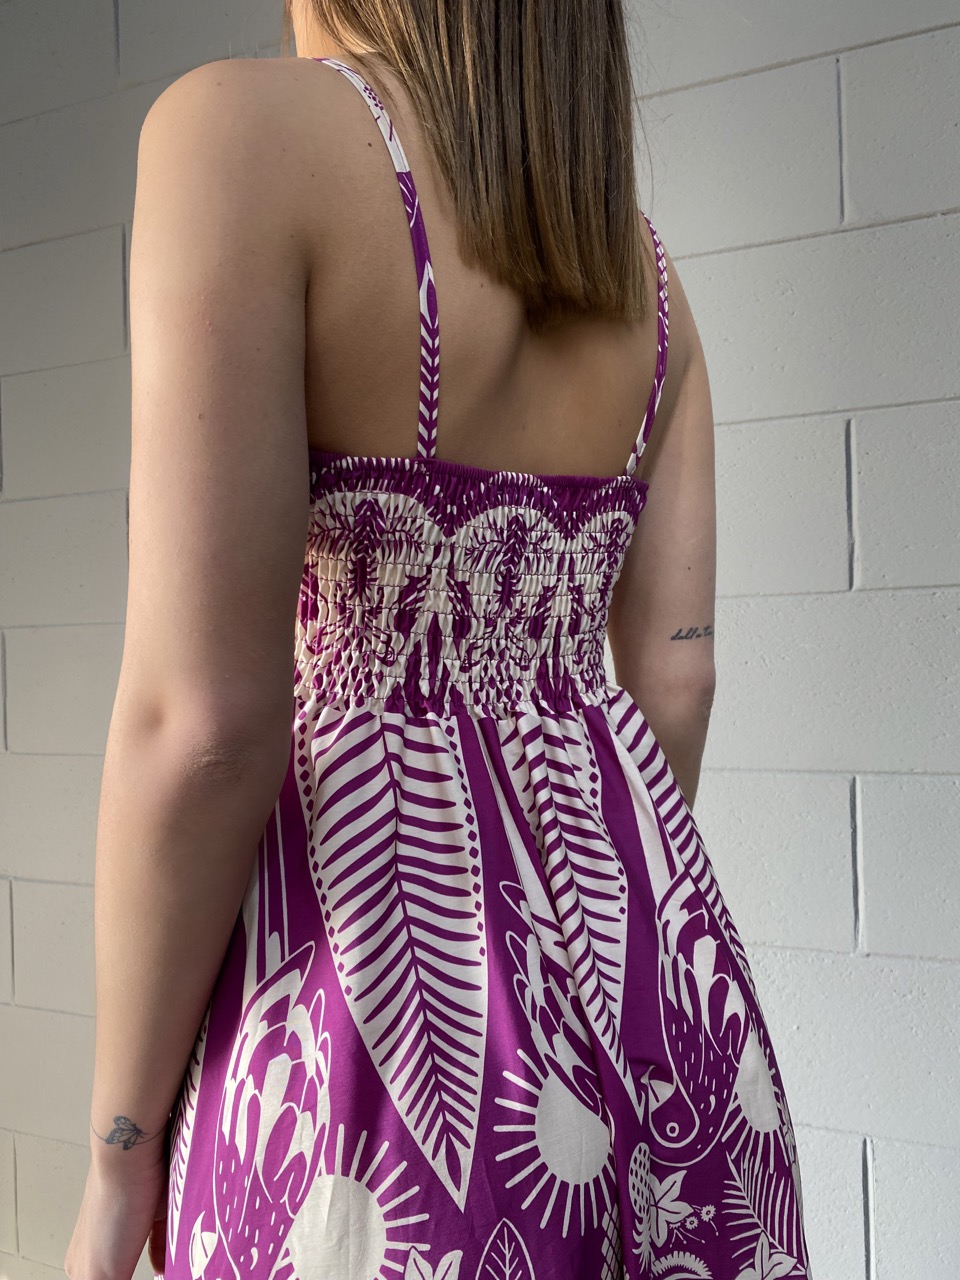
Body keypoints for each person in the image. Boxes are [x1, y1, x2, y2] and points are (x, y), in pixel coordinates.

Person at [65, 2, 811, 1278]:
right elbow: (675, 681)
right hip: (668, 1049)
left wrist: (116, 1156)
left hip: (374, 1087)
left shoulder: (235, 138)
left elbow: (206, 730)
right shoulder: (647, 276)